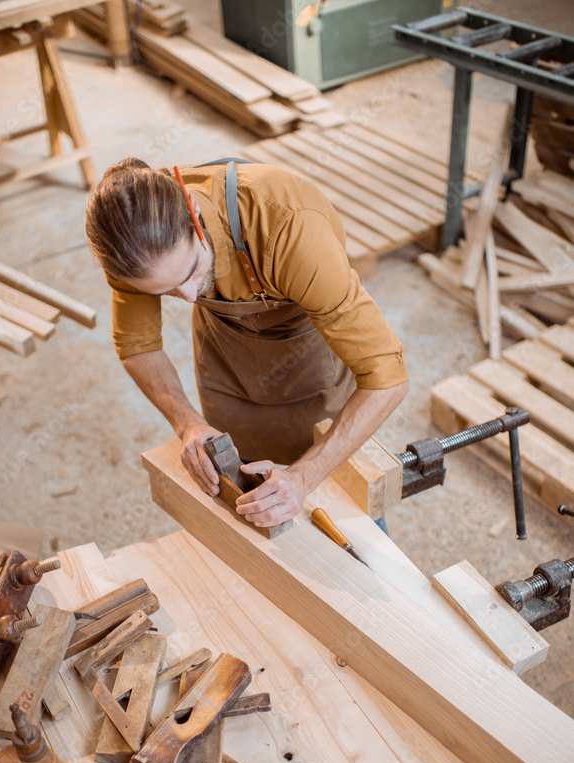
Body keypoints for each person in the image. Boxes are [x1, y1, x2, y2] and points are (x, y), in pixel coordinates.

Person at [85, 156, 409, 530]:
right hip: (226, 359)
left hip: (306, 355)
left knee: (344, 497)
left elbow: (387, 378)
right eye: (167, 292)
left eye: (191, 271)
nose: (190, 297)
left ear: (193, 213)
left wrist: (303, 477)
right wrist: (188, 424)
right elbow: (138, 345)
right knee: (245, 507)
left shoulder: (289, 225)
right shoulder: (131, 248)